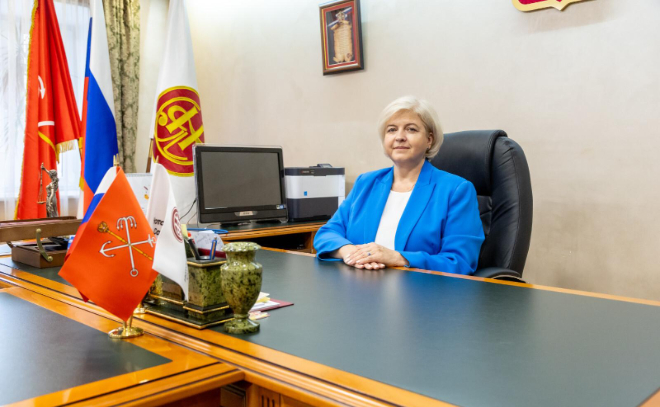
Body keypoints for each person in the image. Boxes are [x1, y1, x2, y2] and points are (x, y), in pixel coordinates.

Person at [313, 96, 484, 274]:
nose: (399, 137)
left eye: (411, 129)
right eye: (392, 130)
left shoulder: (456, 190)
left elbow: (459, 261)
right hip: (359, 286)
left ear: (429, 140)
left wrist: (398, 258)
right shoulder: (366, 182)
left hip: (420, 289)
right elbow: (326, 234)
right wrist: (349, 252)